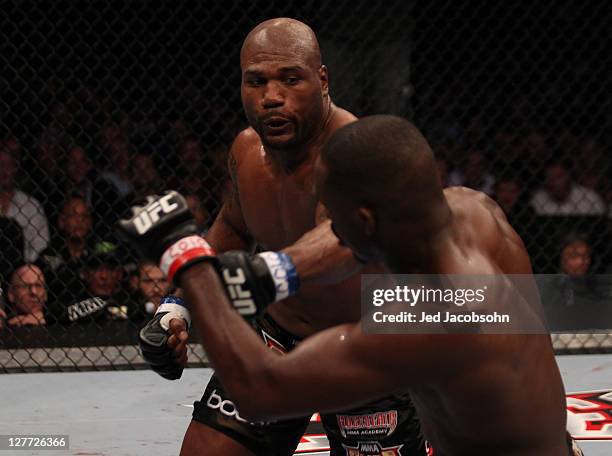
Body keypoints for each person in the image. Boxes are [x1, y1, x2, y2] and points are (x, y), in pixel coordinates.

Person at [121, 115, 576, 454]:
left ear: (363, 221)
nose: (328, 232)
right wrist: (274, 273)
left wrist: (184, 255)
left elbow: (260, 390)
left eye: (332, 217)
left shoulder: (426, 319)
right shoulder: (478, 212)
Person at [122, 18, 425, 456]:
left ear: (322, 80)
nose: (271, 97)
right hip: (277, 338)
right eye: (256, 81)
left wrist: (265, 272)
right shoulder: (247, 151)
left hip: (361, 346)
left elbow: (342, 242)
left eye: (290, 79)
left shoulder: (357, 151)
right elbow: (233, 228)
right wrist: (177, 309)